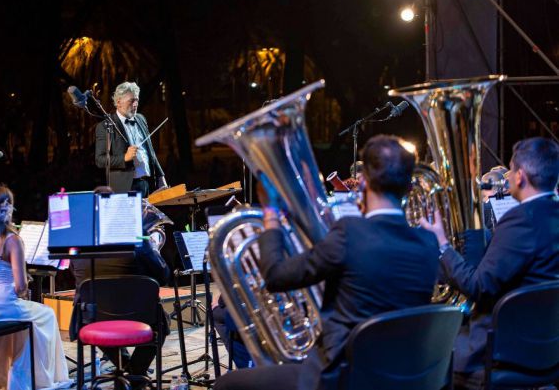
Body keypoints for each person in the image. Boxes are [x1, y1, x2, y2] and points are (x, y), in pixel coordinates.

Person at [215, 135, 440, 390]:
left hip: (340, 378)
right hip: (401, 375)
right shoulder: (429, 242)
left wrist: (271, 216)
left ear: (363, 181)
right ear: (409, 188)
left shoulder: (349, 233)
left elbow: (275, 276)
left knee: (227, 384)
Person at [421, 137, 559, 389]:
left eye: (510, 170)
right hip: (546, 346)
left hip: (498, 353)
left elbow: (478, 287)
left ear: (519, 177)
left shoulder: (521, 219)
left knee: (425, 351)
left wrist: (442, 244)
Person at [0, 185, 71, 390]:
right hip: (3, 306)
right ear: (8, 209)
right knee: (46, 314)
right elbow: (21, 286)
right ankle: (36, 378)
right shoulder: (12, 240)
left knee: (27, 316)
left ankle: (1, 377)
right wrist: (20, 286)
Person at [69, 187, 170, 379]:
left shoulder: (77, 243)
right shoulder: (137, 240)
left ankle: (126, 370)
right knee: (161, 323)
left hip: (92, 317)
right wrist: (153, 246)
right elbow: (163, 275)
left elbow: (77, 277)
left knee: (94, 313)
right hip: (139, 316)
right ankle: (135, 374)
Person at [95, 81, 167, 197]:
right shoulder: (105, 126)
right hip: (127, 186)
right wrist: (124, 157)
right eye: (131, 101)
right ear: (118, 102)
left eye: (137, 100)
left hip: (148, 184)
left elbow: (150, 151)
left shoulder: (141, 118)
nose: (135, 104)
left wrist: (160, 176)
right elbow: (100, 160)